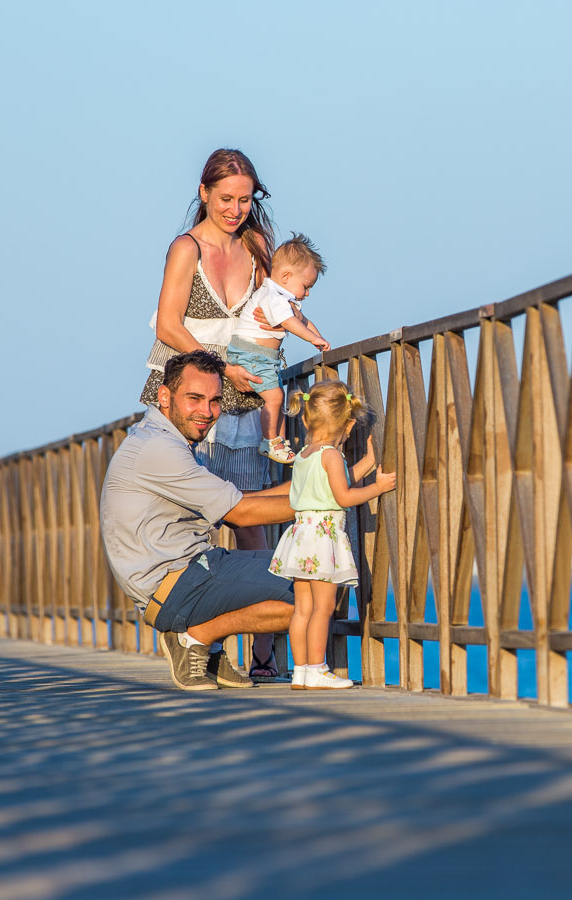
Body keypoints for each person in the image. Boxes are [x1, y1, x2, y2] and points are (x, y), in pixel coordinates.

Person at [139, 148, 284, 681]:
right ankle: (205, 642)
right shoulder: (186, 248)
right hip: (191, 397)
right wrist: (223, 367)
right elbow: (169, 325)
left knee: (251, 519)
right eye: (226, 198)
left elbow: (274, 311)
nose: (236, 209)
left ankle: (266, 654)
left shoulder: (258, 246)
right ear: (204, 193)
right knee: (195, 522)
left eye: (245, 199)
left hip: (244, 400)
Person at [103, 350, 301, 691]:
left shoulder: (161, 437)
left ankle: (205, 645)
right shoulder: (160, 449)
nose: (207, 412)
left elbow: (239, 501)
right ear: (164, 395)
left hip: (186, 571)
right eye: (194, 398)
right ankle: (197, 637)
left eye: (214, 401)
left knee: (306, 574)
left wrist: (321, 487)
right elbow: (240, 514)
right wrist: (327, 502)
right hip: (173, 583)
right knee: (314, 583)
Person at [269, 380, 396, 689]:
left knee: (302, 609)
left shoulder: (303, 455)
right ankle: (318, 668)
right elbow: (343, 497)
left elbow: (331, 486)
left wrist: (367, 463)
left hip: (300, 536)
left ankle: (301, 671)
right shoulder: (332, 456)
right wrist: (377, 488)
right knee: (324, 608)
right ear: (348, 425)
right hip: (322, 538)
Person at [226, 233, 331, 465]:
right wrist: (312, 339)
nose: (308, 293)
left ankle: (279, 441)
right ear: (286, 276)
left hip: (263, 358)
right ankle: (269, 442)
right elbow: (292, 324)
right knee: (273, 397)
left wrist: (319, 338)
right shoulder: (273, 297)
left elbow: (301, 320)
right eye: (306, 286)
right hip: (251, 354)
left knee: (278, 400)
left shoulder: (284, 300)